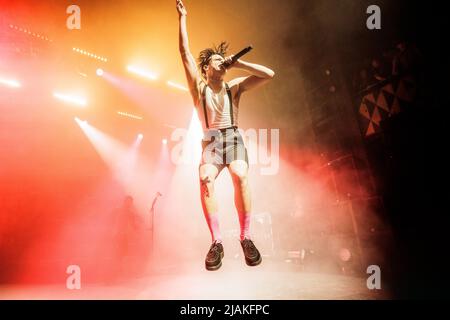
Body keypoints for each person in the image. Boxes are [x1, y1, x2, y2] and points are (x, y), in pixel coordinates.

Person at [176, 0, 275, 270]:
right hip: (210, 139)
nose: (221, 63)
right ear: (207, 68)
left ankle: (246, 237)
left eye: (223, 60)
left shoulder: (234, 87)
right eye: (215, 61)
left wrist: (239, 63)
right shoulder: (199, 87)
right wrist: (182, 18)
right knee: (205, 178)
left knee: (240, 174)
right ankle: (217, 242)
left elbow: (269, 74)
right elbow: (185, 53)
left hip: (232, 137)